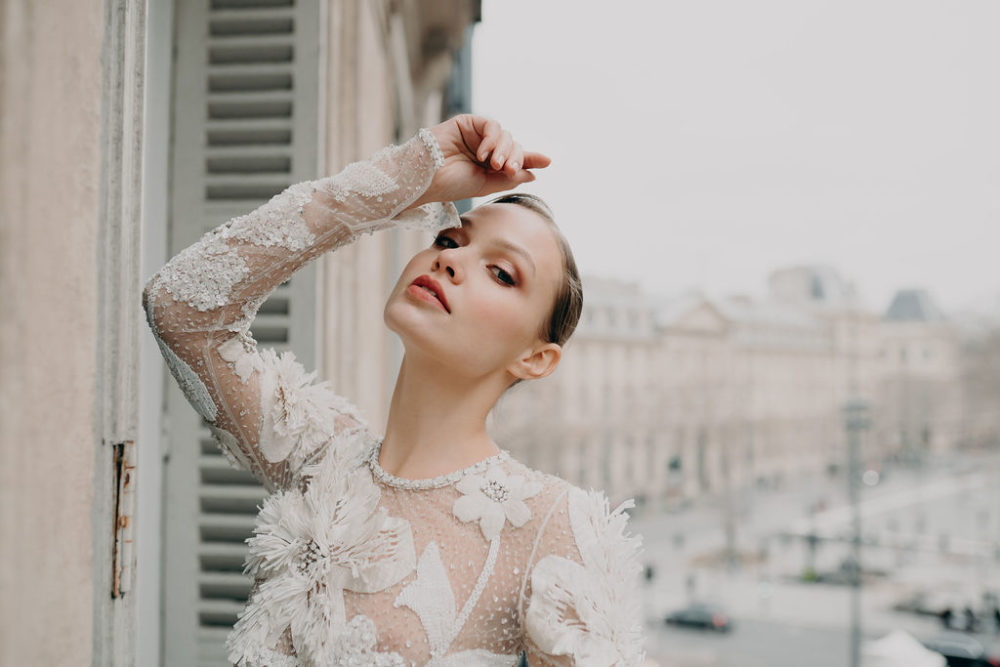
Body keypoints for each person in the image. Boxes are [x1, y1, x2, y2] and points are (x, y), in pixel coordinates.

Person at [143, 115, 646, 666]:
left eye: (502, 273)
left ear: (535, 358)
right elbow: (181, 305)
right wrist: (411, 177)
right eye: (449, 238)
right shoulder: (323, 456)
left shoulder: (553, 526)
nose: (450, 259)